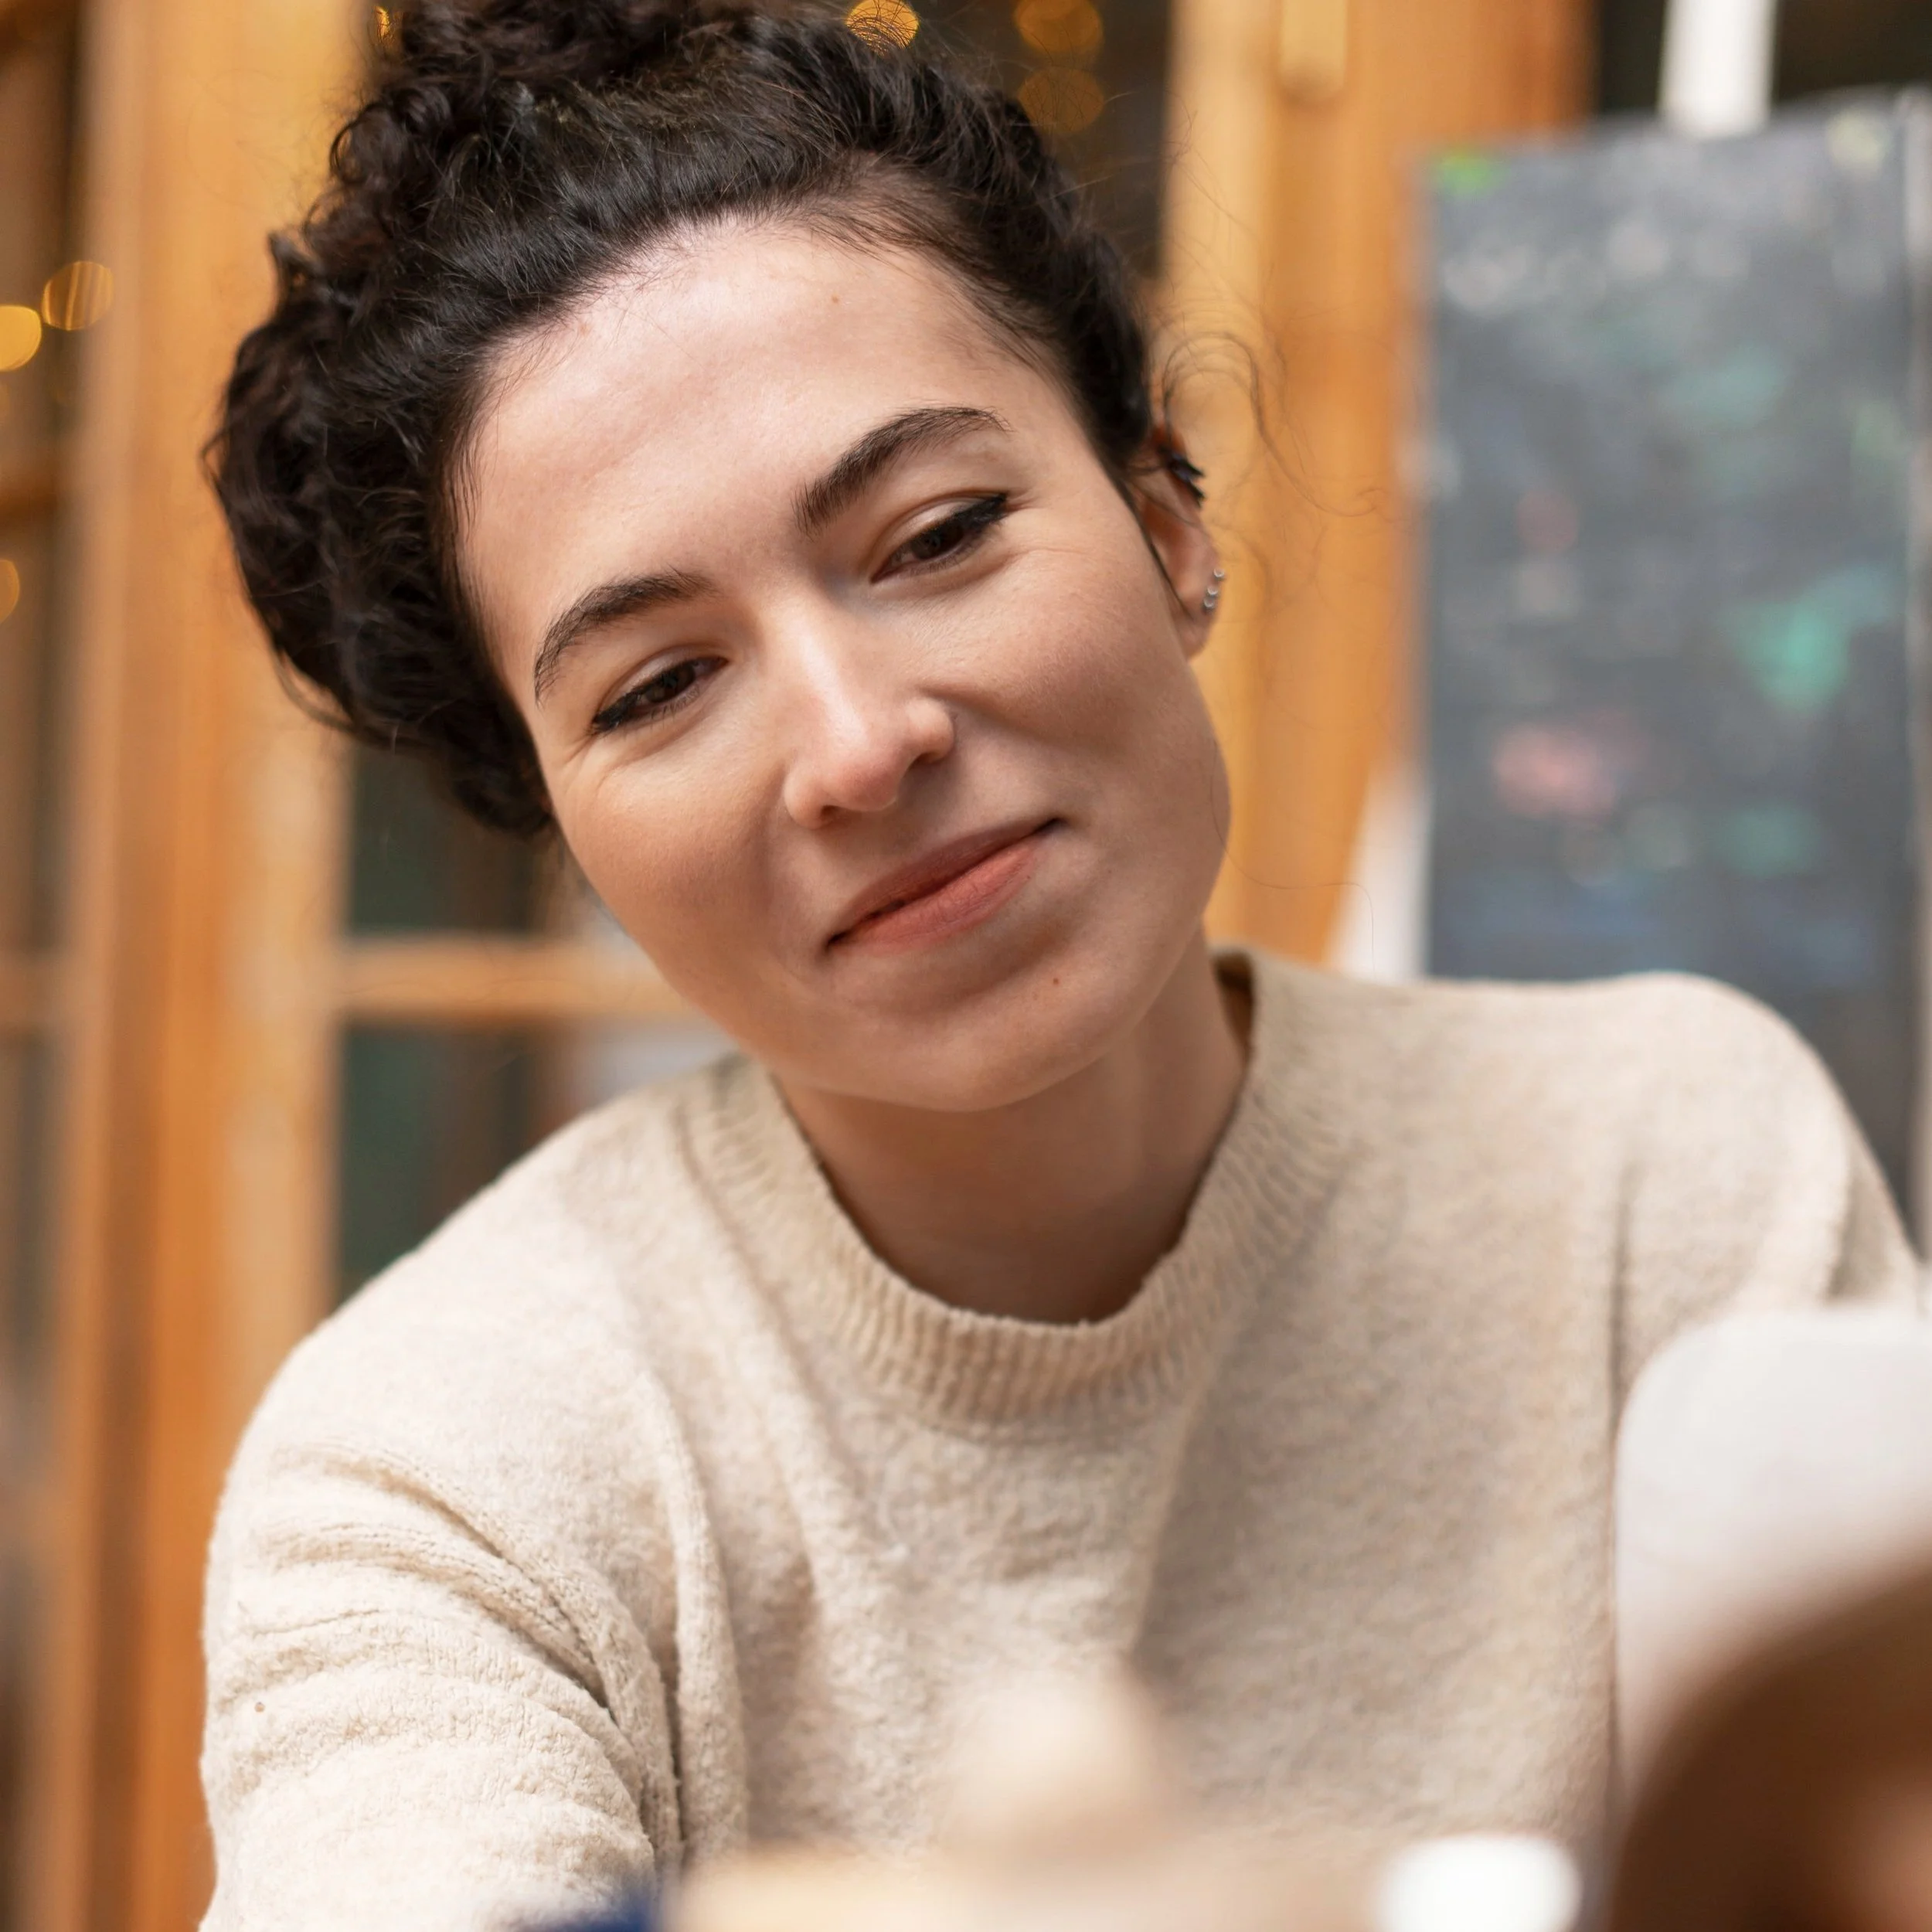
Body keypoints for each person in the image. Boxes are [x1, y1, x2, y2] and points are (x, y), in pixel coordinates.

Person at [202, 2, 1921, 1925]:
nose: (859, 745)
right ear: (558, 819)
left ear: (1166, 519)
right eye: (661, 682)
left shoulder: (1666, 1172)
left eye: (935, 533)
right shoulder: (444, 1459)